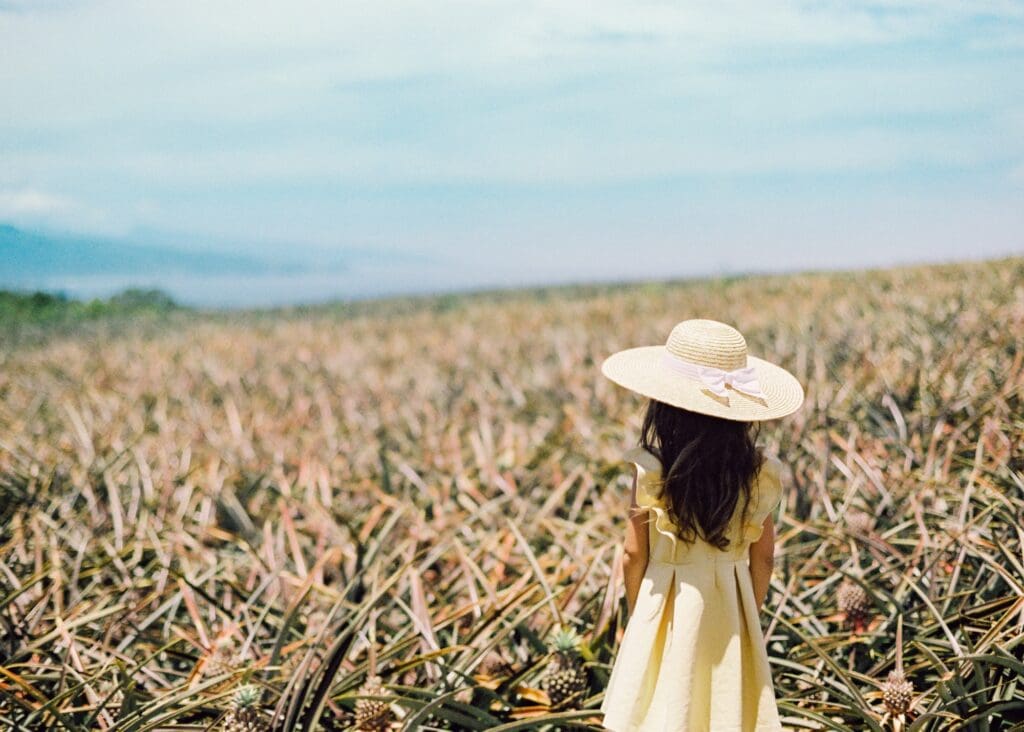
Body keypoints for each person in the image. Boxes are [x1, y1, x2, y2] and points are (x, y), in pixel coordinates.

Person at [598, 318, 804, 732]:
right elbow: (763, 559)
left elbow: (633, 555)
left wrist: (642, 613)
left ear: (663, 407)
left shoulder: (652, 470)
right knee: (724, 712)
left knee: (664, 710)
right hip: (729, 603)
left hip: (666, 604)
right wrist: (748, 610)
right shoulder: (757, 474)